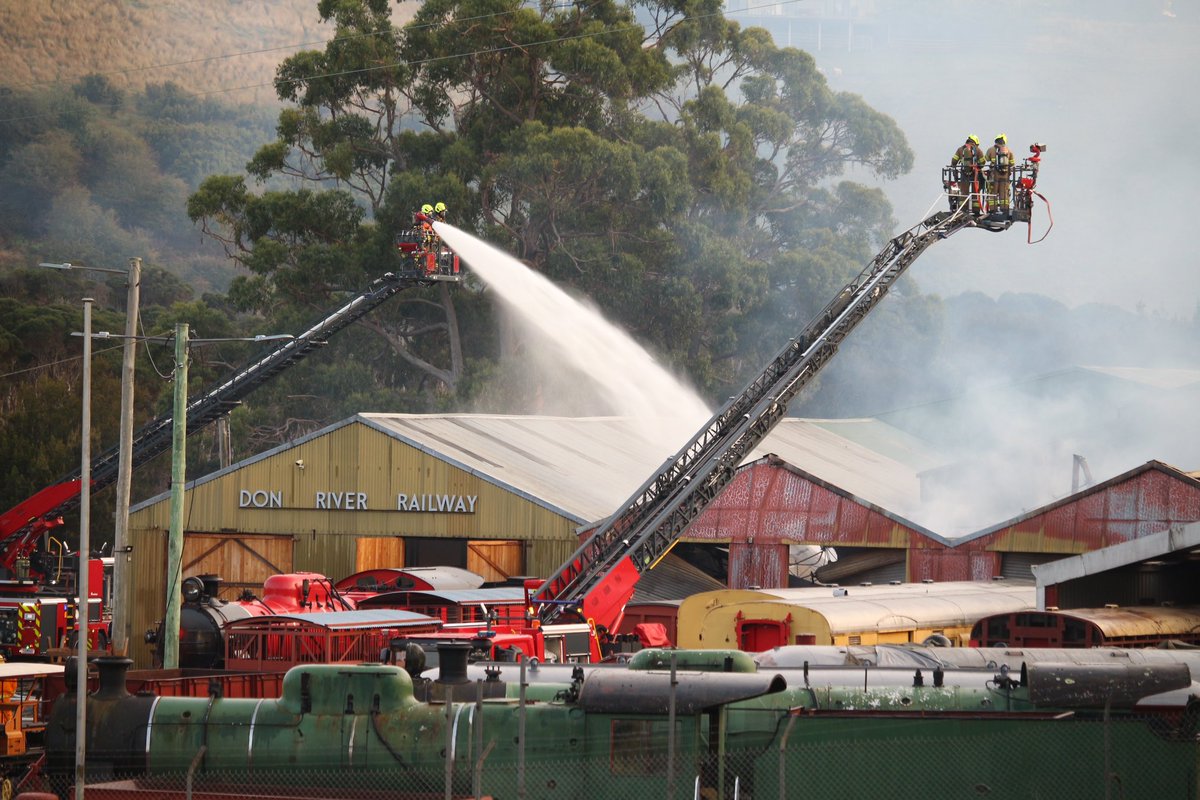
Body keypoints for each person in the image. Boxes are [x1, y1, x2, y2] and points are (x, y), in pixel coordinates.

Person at [950, 134, 984, 212]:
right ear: (975, 142)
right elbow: (982, 162)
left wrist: (954, 168)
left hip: (964, 174)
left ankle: (963, 209)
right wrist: (978, 166)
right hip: (975, 174)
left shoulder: (960, 149)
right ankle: (976, 210)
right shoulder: (977, 150)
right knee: (975, 192)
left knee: (964, 192)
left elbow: (954, 161)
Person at [985, 133, 1015, 215]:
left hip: (994, 175)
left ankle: (993, 209)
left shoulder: (991, 149)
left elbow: (986, 159)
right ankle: (1004, 209)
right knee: (1004, 193)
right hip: (1005, 175)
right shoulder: (1008, 151)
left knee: (992, 192)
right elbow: (1012, 163)